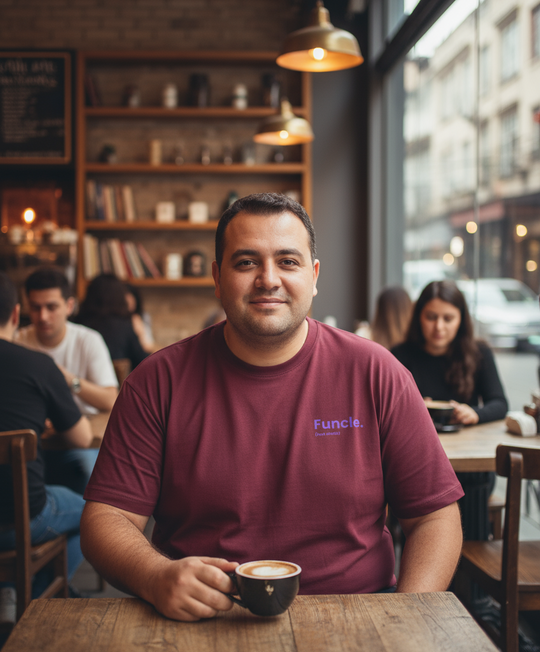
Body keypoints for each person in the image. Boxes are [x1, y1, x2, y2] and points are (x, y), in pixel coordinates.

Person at [81, 193, 463, 623]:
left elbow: (435, 518)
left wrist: (404, 619)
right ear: (217, 277)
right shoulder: (156, 382)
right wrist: (155, 576)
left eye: (288, 261)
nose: (268, 279)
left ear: (314, 275)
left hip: (361, 614)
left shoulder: (378, 373)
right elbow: (106, 518)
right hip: (203, 620)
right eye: (246, 262)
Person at [0, 272, 93, 606]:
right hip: (19, 518)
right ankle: (34, 600)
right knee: (97, 515)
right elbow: (82, 437)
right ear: (15, 314)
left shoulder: (82, 341)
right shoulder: (38, 365)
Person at [391, 279, 508, 540]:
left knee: (474, 482)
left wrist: (475, 414)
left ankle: (472, 572)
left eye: (448, 318)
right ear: (419, 316)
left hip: (468, 464)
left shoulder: (478, 353)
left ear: (461, 319)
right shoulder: (400, 355)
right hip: (417, 460)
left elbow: (499, 403)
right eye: (431, 317)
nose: (439, 327)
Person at [16, 267, 118, 494]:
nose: (43, 316)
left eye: (51, 307)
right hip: (34, 444)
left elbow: (111, 399)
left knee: (87, 469)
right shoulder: (18, 341)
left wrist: (68, 380)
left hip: (80, 441)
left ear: (69, 306)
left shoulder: (88, 340)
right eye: (35, 308)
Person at [73, 273, 148, 371]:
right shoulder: (124, 325)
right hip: (118, 383)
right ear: (119, 296)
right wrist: (142, 335)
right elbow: (141, 361)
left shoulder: (77, 323)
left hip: (82, 383)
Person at [124, 283, 158, 354]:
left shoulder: (143, 317)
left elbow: (149, 344)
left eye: (132, 299)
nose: (130, 302)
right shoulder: (121, 323)